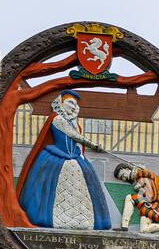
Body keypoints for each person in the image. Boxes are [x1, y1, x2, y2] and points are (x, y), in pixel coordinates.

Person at [16, 91, 112, 230]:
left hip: (75, 158)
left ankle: (84, 220)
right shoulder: (58, 119)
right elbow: (73, 135)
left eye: (76, 104)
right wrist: (93, 145)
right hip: (58, 157)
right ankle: (55, 218)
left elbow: (77, 143)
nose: (74, 107)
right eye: (71, 103)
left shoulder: (74, 123)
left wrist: (83, 153)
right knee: (52, 188)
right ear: (61, 103)